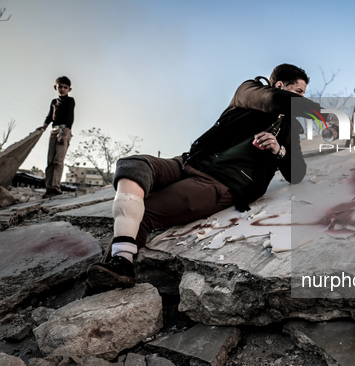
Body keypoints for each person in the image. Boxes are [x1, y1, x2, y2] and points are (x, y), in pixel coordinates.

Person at [86, 64, 320, 291]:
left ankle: (119, 267)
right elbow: (275, 100)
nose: (301, 98)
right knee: (133, 165)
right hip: (187, 162)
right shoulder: (250, 91)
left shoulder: (290, 128)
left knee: (143, 212)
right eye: (299, 92)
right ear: (280, 84)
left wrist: (279, 150)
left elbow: (296, 173)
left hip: (219, 183)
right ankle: (119, 261)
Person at [38, 76, 75, 198]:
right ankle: (48, 188)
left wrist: (64, 134)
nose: (63, 89)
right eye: (60, 87)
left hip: (64, 130)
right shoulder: (54, 102)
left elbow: (70, 119)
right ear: (56, 87)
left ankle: (56, 187)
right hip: (53, 131)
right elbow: (49, 116)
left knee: (58, 161)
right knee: (50, 161)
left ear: (69, 89)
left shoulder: (70, 101)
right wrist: (43, 127)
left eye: (65, 87)